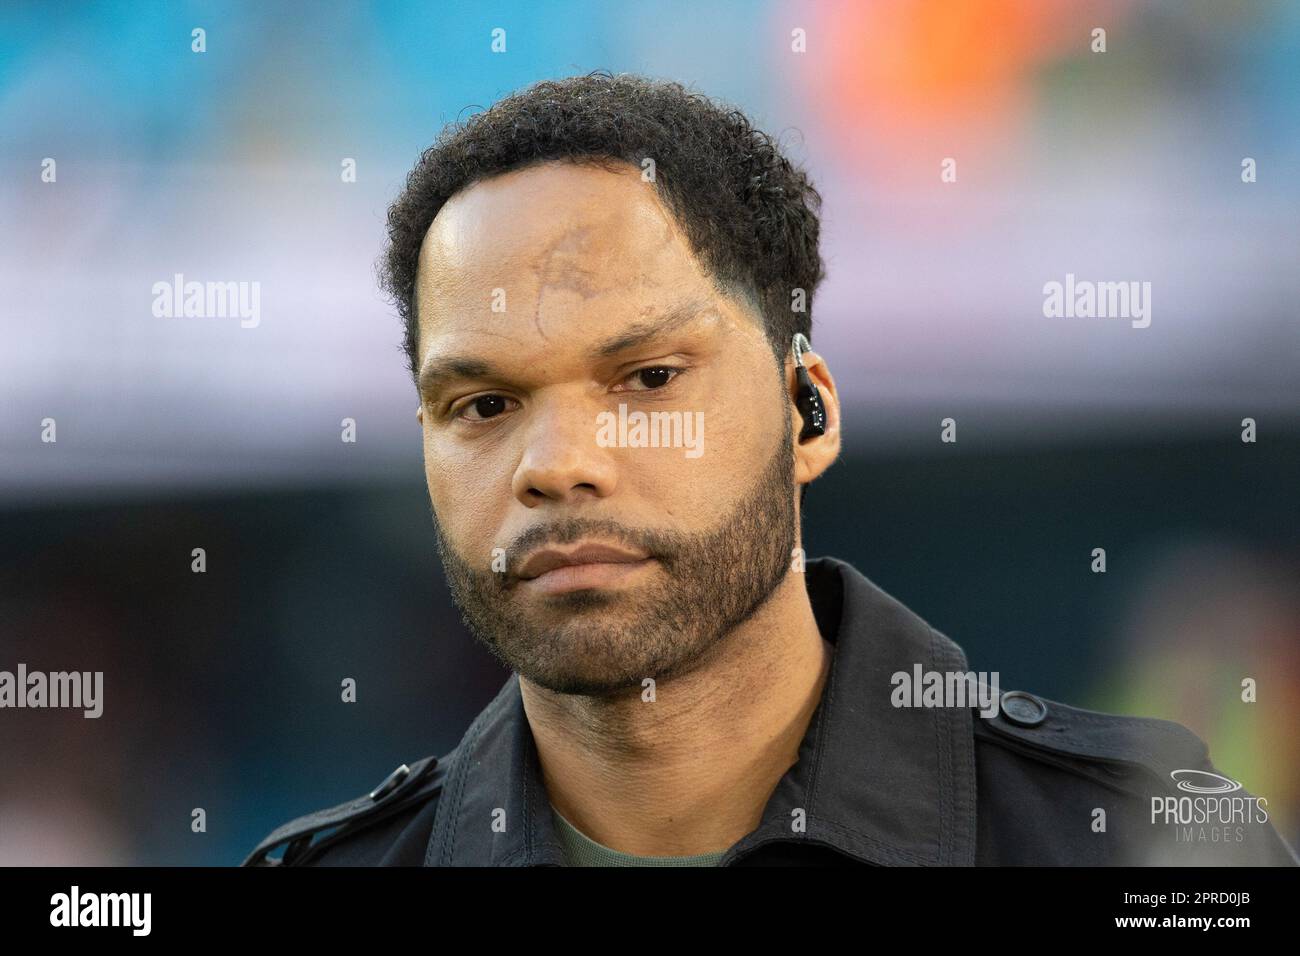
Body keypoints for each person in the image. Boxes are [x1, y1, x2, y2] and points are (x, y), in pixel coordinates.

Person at [242, 73, 1297, 867]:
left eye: (648, 377)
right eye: (483, 405)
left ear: (808, 410)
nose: (556, 465)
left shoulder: (1140, 843)